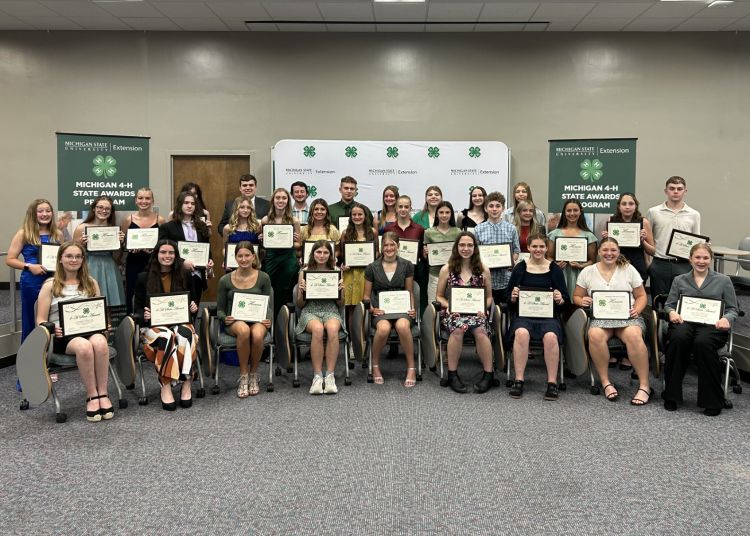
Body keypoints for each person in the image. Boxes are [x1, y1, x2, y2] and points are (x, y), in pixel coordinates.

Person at [36, 242, 113, 422]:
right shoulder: (50, 285)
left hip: (90, 330)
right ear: (60, 259)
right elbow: (40, 319)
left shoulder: (91, 282)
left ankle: (103, 393)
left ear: (83, 260)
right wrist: (52, 328)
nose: (74, 260)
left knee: (100, 343)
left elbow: (100, 310)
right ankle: (92, 395)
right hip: (63, 336)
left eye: (78, 256)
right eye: (69, 256)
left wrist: (105, 324)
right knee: (84, 347)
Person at [573, 238, 652, 406]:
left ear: (618, 251)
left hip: (628, 317)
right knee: (594, 334)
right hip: (601, 318)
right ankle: (606, 382)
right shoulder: (588, 271)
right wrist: (582, 301)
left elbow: (641, 296)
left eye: (613, 250)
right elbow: (576, 296)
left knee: (634, 335)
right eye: (605, 250)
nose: (609, 253)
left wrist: (637, 309)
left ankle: (645, 386)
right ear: (599, 252)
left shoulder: (628, 269)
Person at [663, 243, 738, 417]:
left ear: (711, 260)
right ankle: (671, 395)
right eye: (697, 257)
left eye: (705, 258)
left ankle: (712, 400)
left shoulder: (723, 280)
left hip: (713, 326)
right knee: (678, 339)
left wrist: (726, 319)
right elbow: (669, 305)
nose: (701, 261)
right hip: (685, 322)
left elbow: (733, 309)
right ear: (690, 259)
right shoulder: (679, 280)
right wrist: (672, 312)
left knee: (702, 343)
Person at [133, 240, 199, 410]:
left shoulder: (184, 275)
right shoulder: (143, 278)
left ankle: (186, 383)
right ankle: (166, 384)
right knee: (167, 336)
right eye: (163, 252)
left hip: (180, 322)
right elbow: (135, 310)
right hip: (153, 328)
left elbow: (192, 303)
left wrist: (193, 307)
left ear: (176, 256)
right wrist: (144, 315)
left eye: (171, 253)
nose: (167, 256)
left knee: (185, 333)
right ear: (156, 255)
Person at [505, 234, 568, 400]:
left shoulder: (555, 269)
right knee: (521, 334)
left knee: (550, 337)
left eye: (541, 246)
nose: (538, 250)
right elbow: (507, 298)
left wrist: (559, 299)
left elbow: (565, 300)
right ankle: (518, 380)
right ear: (529, 247)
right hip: (524, 316)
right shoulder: (520, 268)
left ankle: (552, 383)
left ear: (547, 248)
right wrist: (513, 296)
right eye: (535, 247)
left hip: (548, 317)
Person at [435, 232, 494, 394]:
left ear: (475, 248)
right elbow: (439, 296)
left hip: (477, 313)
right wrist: (449, 306)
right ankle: (452, 374)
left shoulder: (483, 270)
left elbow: (489, 297)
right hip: (454, 314)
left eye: (469, 245)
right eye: (462, 245)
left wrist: (483, 308)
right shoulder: (447, 269)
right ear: (456, 247)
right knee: (458, 328)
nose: (466, 248)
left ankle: (488, 374)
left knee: (481, 330)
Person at [216, 241, 273, 399]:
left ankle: (254, 373)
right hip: (234, 321)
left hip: (257, 318)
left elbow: (268, 304)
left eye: (247, 255)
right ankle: (244, 375)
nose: (244, 259)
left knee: (256, 334)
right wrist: (223, 318)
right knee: (244, 330)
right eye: (240, 256)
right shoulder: (225, 280)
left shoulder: (264, 277)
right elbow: (219, 308)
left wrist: (269, 319)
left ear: (253, 256)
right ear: (235, 258)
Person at [363, 232, 418, 387]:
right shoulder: (371, 267)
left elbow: (409, 292)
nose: (389, 248)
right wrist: (372, 309)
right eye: (385, 245)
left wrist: (412, 309)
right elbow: (366, 296)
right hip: (381, 310)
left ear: (398, 246)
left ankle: (411, 367)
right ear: (381, 248)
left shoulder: (407, 265)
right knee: (383, 329)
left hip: (402, 308)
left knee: (402, 326)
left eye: (392, 245)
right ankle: (375, 366)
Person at [6, 198, 63, 341]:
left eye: (48, 211)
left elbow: (63, 257)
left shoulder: (58, 234)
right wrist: (29, 266)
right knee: (32, 317)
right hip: (32, 282)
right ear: (33, 214)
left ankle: (52, 354)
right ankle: (30, 354)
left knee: (54, 315)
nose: (45, 214)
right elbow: (10, 259)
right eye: (40, 211)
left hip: (54, 280)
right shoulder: (23, 233)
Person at [296, 240, 345, 395]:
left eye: (325, 252)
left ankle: (329, 376)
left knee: (332, 329)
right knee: (317, 329)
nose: (322, 255)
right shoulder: (304, 272)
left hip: (331, 309)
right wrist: (302, 291)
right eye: (318, 252)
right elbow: (300, 304)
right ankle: (317, 376)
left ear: (330, 255)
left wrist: (341, 291)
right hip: (310, 310)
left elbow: (341, 304)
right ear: (313, 254)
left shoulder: (337, 271)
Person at [647, 176, 701, 299]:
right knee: (658, 300)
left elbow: (696, 242)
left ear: (685, 191)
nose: (675, 191)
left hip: (684, 264)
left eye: (679, 189)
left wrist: (702, 245)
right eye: (672, 188)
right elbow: (647, 239)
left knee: (682, 300)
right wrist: (648, 264)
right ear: (666, 191)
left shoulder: (694, 214)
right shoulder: (653, 212)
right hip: (660, 263)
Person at [158, 191, 214, 305]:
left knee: (194, 309)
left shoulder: (202, 226)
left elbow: (207, 248)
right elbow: (162, 252)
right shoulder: (168, 227)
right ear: (180, 205)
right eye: (186, 203)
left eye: (192, 203)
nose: (189, 206)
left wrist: (209, 260)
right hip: (177, 275)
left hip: (197, 276)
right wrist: (182, 262)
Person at [73, 195, 126, 307]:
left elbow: (117, 258)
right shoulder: (81, 228)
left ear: (111, 211)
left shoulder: (114, 229)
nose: (103, 211)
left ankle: (110, 325)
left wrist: (120, 244)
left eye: (107, 209)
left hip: (109, 268)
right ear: (94, 209)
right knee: (88, 302)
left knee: (110, 304)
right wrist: (81, 245)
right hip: (88, 267)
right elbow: (72, 254)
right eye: (100, 207)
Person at [121, 187, 164, 313]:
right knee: (132, 292)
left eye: (147, 198)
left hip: (154, 262)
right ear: (136, 200)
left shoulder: (160, 220)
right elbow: (122, 243)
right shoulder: (128, 220)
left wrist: (154, 251)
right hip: (134, 262)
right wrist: (128, 248)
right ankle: (133, 323)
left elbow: (164, 244)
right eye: (140, 198)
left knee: (154, 291)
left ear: (152, 201)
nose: (143, 201)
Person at [260, 188, 301, 320]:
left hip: (288, 260)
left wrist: (291, 240)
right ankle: (271, 321)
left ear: (288, 201)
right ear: (273, 200)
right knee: (271, 291)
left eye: (284, 198)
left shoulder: (294, 221)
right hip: (271, 260)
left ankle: (286, 323)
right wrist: (262, 239)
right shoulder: (265, 220)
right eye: (278, 198)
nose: (281, 201)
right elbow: (263, 246)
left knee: (286, 292)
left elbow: (298, 245)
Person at [473, 191, 520, 306]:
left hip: (505, 279)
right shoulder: (478, 229)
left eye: (498, 206)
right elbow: (475, 253)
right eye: (491, 206)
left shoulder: (511, 228)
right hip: (485, 279)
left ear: (503, 208)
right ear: (485, 208)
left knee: (504, 310)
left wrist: (511, 261)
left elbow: (516, 250)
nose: (494, 209)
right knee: (486, 310)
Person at [546, 198, 597, 298]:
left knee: (577, 306)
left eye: (575, 210)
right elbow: (548, 257)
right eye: (569, 210)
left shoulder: (589, 236)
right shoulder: (554, 234)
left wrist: (581, 266)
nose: (572, 213)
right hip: (560, 274)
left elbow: (593, 261)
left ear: (580, 212)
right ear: (564, 213)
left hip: (580, 276)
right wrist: (555, 266)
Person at [383, 195, 426, 315]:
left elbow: (422, 253)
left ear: (411, 208)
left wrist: (425, 253)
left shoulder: (419, 229)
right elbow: (384, 250)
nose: (403, 209)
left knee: (411, 299)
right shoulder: (388, 229)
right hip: (392, 272)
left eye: (406, 207)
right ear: (396, 208)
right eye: (400, 206)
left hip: (413, 272)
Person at [339, 202, 377, 330]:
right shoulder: (345, 233)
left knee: (366, 307)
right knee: (352, 309)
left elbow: (377, 252)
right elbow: (343, 255)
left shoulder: (373, 232)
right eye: (354, 214)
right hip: (350, 274)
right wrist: (343, 266)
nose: (357, 217)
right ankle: (353, 341)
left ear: (365, 216)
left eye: (360, 214)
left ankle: (365, 339)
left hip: (367, 274)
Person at [601, 192, 655, 283]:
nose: (627, 207)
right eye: (624, 204)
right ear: (619, 206)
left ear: (635, 206)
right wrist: (605, 239)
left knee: (638, 296)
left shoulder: (643, 222)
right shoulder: (611, 221)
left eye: (631, 204)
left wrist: (642, 241)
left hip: (637, 267)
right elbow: (605, 249)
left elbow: (653, 251)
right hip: (615, 266)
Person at [423, 201, 461, 303]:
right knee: (433, 305)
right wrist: (425, 253)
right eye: (441, 212)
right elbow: (426, 258)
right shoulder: (428, 232)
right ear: (436, 214)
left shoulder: (458, 232)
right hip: (435, 275)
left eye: (447, 212)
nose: (444, 215)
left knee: (453, 305)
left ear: (452, 214)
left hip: (454, 275)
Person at [223, 195, 261, 268]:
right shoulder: (228, 228)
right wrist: (226, 260)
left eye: (248, 207)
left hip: (253, 267)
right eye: (242, 207)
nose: (246, 210)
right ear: (236, 209)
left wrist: (259, 261)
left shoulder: (257, 226)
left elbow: (262, 249)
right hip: (234, 266)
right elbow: (224, 248)